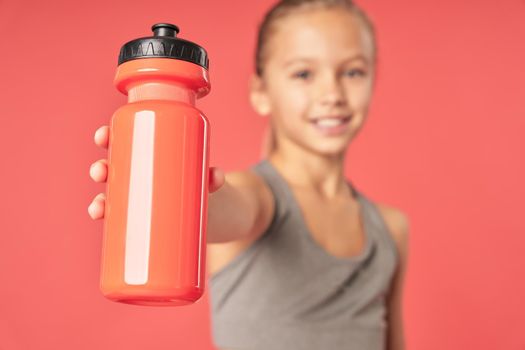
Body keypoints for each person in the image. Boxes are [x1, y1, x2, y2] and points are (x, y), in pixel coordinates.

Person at [88, 0, 410, 349]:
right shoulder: (259, 197)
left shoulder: (390, 229)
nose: (332, 94)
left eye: (352, 72)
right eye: (303, 73)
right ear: (260, 92)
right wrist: (173, 190)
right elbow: (223, 210)